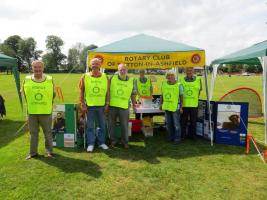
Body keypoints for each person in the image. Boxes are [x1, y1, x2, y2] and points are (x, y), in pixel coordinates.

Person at [22, 60, 55, 160]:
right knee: (33, 133)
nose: (37, 69)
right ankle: (33, 153)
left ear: (43, 68)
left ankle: (49, 152)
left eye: (39, 67)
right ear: (32, 68)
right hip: (32, 111)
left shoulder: (50, 79)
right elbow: (24, 93)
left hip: (45, 111)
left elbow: (53, 94)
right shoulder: (27, 79)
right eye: (35, 67)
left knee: (48, 132)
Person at [79, 58, 109, 152]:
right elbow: (81, 90)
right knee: (90, 126)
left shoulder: (105, 76)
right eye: (93, 64)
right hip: (90, 106)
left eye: (97, 64)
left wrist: (107, 103)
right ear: (90, 65)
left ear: (100, 65)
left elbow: (108, 92)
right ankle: (91, 143)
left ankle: (101, 143)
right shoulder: (85, 76)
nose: (95, 66)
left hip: (102, 106)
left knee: (102, 125)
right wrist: (82, 103)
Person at [108, 63, 136, 149]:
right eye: (120, 70)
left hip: (124, 107)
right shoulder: (112, 78)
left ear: (127, 70)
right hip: (112, 106)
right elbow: (108, 91)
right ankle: (113, 141)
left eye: (124, 70)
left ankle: (125, 142)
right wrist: (107, 103)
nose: (122, 71)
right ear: (118, 70)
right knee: (111, 125)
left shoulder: (132, 81)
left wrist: (134, 105)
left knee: (124, 125)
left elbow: (133, 94)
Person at [160, 70, 183, 143]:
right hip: (167, 106)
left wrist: (181, 107)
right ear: (166, 77)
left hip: (175, 107)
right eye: (168, 75)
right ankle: (170, 137)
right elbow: (162, 95)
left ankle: (177, 138)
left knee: (176, 124)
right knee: (168, 124)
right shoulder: (164, 84)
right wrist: (161, 104)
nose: (170, 77)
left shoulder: (179, 85)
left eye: (171, 75)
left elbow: (181, 96)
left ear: (174, 76)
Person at [180, 67, 202, 139]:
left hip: (194, 104)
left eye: (190, 70)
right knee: (184, 121)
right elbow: (180, 92)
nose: (189, 71)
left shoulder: (198, 79)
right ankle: (183, 135)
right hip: (185, 104)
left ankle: (192, 135)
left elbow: (199, 91)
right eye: (187, 70)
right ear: (185, 71)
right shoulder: (182, 80)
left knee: (193, 121)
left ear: (193, 71)